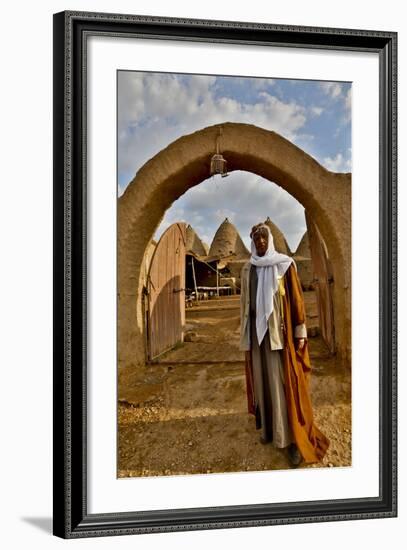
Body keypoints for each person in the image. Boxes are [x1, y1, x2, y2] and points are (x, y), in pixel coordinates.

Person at [240, 223, 329, 466]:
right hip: (258, 339)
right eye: (256, 238)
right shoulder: (248, 269)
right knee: (263, 384)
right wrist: (246, 337)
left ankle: (291, 440)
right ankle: (269, 431)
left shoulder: (284, 265)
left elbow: (296, 299)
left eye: (263, 238)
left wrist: (300, 331)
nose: (259, 242)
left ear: (269, 240)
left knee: (283, 385)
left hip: (281, 337)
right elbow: (245, 306)